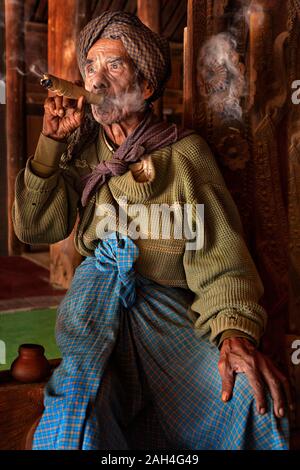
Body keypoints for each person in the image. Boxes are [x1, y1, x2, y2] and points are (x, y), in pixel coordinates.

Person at [12, 11, 291, 450]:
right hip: (94, 308)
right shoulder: (80, 151)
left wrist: (234, 336)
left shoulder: (184, 157)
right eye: (90, 68)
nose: (97, 80)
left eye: (114, 66)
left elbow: (219, 257)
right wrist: (50, 145)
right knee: (77, 416)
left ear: (145, 86)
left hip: (167, 318)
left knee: (245, 402)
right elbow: (36, 226)